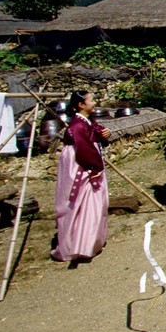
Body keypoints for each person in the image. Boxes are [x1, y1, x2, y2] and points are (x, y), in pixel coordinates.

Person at [51, 90, 111, 262]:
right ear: (81, 105)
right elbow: (83, 148)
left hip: (87, 162)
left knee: (93, 202)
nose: (94, 103)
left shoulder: (87, 121)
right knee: (82, 202)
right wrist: (94, 167)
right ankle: (80, 245)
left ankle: (90, 241)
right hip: (81, 165)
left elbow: (95, 132)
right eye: (91, 100)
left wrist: (103, 134)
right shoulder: (77, 125)